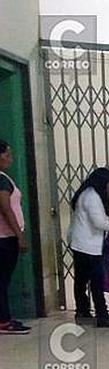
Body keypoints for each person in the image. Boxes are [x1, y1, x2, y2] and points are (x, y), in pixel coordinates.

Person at [67, 167, 109, 328]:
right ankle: (101, 315)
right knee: (97, 280)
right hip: (88, 246)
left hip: (81, 243)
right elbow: (98, 223)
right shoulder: (92, 197)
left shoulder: (86, 193)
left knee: (81, 280)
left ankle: (82, 312)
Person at [0, 139, 30, 335]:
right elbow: (5, 207)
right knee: (1, 280)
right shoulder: (1, 179)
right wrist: (19, 235)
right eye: (7, 154)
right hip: (4, 238)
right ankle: (3, 321)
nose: (10, 158)